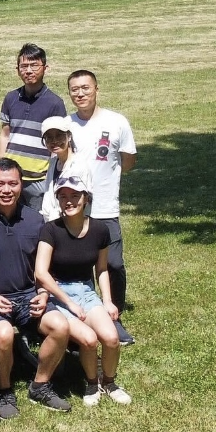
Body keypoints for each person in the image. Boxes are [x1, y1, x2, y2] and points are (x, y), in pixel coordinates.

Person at [0, 158, 72, 418]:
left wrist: (44, 292)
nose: (6, 190)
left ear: (21, 184)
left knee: (60, 326)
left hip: (29, 297)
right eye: (0, 184)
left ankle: (40, 384)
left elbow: (45, 268)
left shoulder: (36, 221)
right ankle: (4, 390)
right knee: (3, 334)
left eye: (13, 183)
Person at [34, 176, 132, 406]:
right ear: (57, 200)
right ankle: (91, 382)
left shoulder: (99, 230)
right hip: (56, 293)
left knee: (111, 338)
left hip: (86, 292)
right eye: (63, 196)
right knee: (88, 340)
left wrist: (107, 300)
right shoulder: (50, 230)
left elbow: (102, 270)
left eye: (75, 196)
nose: (69, 201)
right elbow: (41, 273)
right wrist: (68, 302)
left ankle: (108, 382)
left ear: (86, 198)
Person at [67, 70, 138, 345]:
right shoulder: (66, 125)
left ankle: (114, 316)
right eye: (75, 90)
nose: (81, 94)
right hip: (75, 207)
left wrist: (109, 178)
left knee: (113, 264)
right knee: (80, 265)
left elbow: (128, 160)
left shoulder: (116, 122)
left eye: (85, 88)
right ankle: (84, 315)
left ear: (97, 89)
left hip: (106, 206)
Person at [0, 43, 68, 210]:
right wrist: (2, 167)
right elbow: (5, 135)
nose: (28, 70)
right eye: (24, 66)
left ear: (45, 68)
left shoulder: (55, 103)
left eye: (34, 65)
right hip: (13, 177)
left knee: (37, 222)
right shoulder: (11, 98)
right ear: (17, 70)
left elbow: (59, 142)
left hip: (40, 178)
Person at [39, 116, 93, 221]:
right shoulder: (54, 163)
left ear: (69, 136)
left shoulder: (78, 166)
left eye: (59, 136)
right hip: (52, 224)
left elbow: (80, 203)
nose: (54, 141)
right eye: (49, 137)